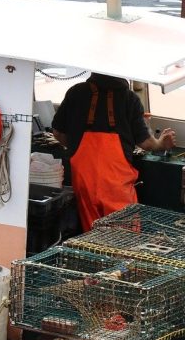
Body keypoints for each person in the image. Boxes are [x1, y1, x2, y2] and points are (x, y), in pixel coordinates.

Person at [51, 73, 176, 232]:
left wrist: (76, 147)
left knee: (91, 237)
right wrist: (160, 144)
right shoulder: (128, 98)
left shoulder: (76, 92)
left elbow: (58, 132)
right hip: (116, 184)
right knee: (123, 240)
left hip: (84, 180)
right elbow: (145, 142)